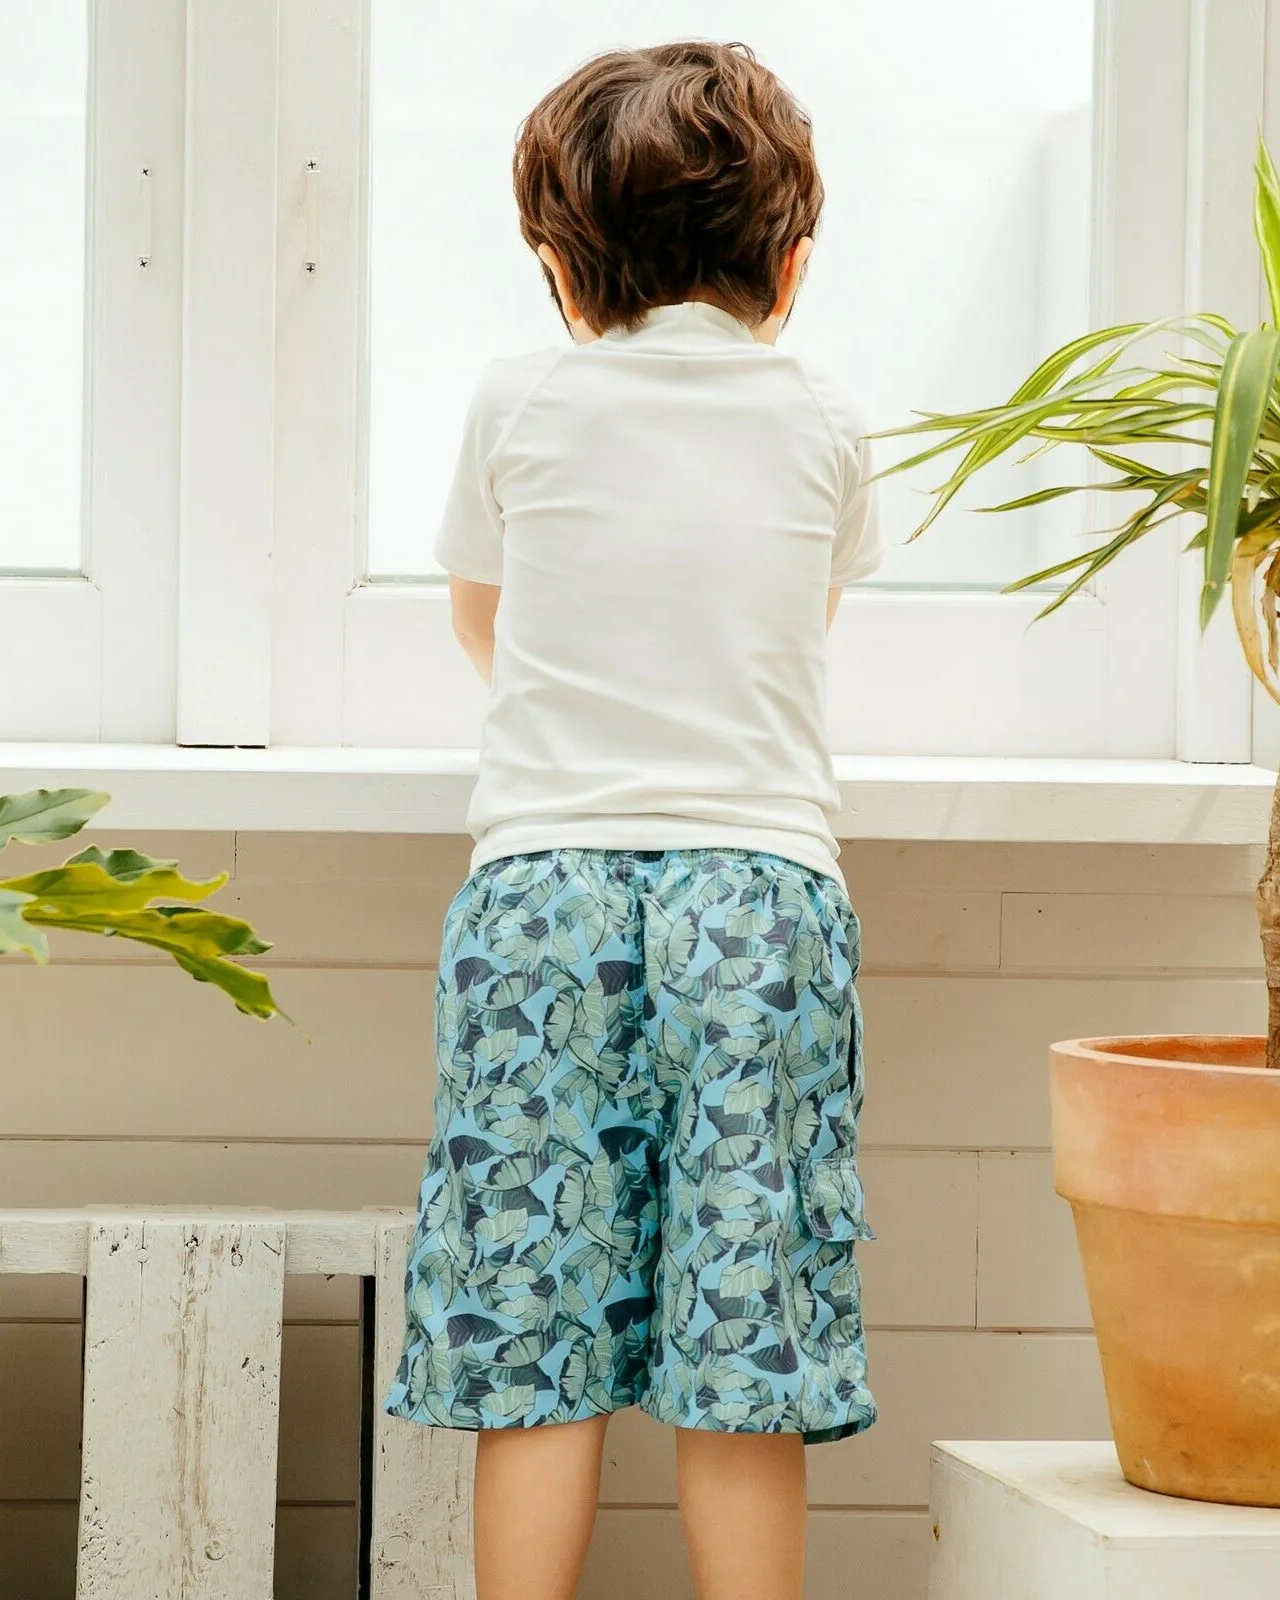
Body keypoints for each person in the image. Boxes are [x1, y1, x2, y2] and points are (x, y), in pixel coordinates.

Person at [382, 39, 884, 1600]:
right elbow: (794, 619)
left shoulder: (517, 402)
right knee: (745, 1326)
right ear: (791, 262)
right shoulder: (822, 417)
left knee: (531, 1323)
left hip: (543, 893)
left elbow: (488, 621)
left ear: (559, 268)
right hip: (757, 894)